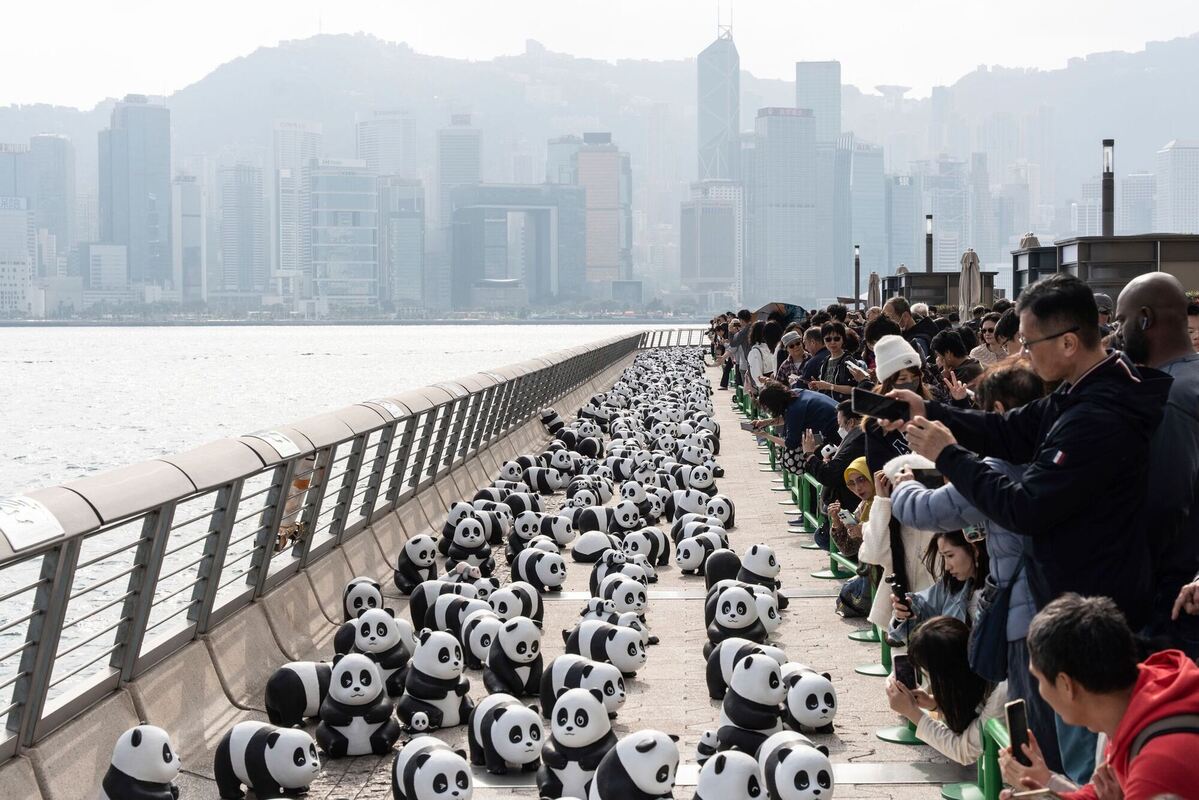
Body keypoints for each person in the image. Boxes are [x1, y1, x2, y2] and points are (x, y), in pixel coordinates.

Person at [892, 274, 1173, 781]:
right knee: (1053, 754)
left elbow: (1026, 506)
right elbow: (1012, 429)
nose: (1023, 352)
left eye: (1029, 341)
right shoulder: (1081, 391)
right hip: (1067, 601)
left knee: (1079, 762)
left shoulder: (1099, 414)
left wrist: (948, 455)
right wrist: (929, 410)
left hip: (1087, 609)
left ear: (1068, 341)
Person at [889, 360, 1062, 771]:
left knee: (1034, 738)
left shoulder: (995, 473)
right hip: (1076, 608)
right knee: (1069, 736)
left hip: (1025, 623)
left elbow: (926, 511)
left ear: (1000, 412)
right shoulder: (1067, 458)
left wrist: (903, 484)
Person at [1003, 594, 1199, 800]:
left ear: (1065, 684)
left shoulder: (1157, 770)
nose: (1040, 692)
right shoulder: (1135, 701)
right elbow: (1097, 791)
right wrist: (1044, 795)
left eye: (1039, 679)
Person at [1115, 273, 1199, 658]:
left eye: (1121, 321)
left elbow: (1165, 503)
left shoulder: (1167, 395)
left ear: (1145, 319)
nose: (1117, 332)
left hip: (1174, 598)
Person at [885, 616, 1007, 765]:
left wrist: (912, 713)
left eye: (930, 675)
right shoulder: (981, 666)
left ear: (947, 675)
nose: (933, 683)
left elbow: (964, 751)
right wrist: (935, 704)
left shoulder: (1003, 691)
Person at [858, 454, 938, 633]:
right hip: (903, 622)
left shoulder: (943, 517)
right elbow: (873, 553)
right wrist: (881, 501)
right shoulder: (887, 519)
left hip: (943, 617)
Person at [888, 529, 988, 645]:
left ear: (974, 550)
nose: (946, 566)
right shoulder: (951, 587)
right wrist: (904, 611)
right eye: (943, 557)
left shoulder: (1000, 590)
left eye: (950, 555)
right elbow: (921, 607)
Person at [753, 382, 839, 474]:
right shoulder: (795, 394)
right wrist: (764, 423)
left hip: (836, 432)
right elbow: (788, 418)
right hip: (839, 421)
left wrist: (765, 435)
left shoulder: (794, 410)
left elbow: (790, 444)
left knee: (799, 460)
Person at [826, 456, 874, 560]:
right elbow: (848, 549)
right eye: (851, 483)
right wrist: (837, 522)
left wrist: (865, 531)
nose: (858, 487)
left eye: (861, 479)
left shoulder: (886, 503)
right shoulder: (864, 505)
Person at [810, 321, 860, 401]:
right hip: (827, 407)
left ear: (843, 339)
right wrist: (817, 386)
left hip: (843, 408)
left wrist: (829, 386)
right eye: (828, 339)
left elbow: (854, 389)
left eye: (837, 338)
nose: (832, 342)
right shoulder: (825, 361)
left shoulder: (849, 361)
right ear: (823, 341)